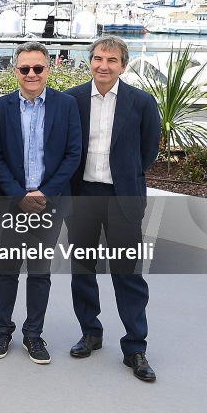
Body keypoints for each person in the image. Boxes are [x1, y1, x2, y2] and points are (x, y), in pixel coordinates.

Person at [65, 35, 160, 382]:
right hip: (82, 196)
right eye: (98, 59)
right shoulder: (72, 99)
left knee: (127, 272)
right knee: (82, 269)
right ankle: (90, 332)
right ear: (90, 61)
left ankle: (135, 347)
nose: (103, 66)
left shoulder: (141, 102)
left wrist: (125, 177)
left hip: (123, 197)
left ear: (123, 65)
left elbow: (148, 150)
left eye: (112, 60)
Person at [0, 42, 81, 365]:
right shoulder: (0, 108)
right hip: (12, 202)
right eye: (25, 68)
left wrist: (43, 194)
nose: (31, 74)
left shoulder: (66, 105)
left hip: (49, 203)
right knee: (7, 269)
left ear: (48, 70)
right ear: (15, 71)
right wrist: (19, 196)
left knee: (40, 271)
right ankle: (2, 330)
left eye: (38, 68)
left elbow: (73, 154)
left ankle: (33, 334)